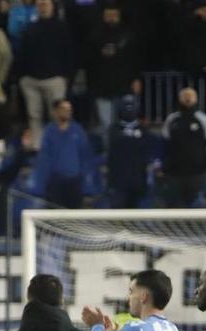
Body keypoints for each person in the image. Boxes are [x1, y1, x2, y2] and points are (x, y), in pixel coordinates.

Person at [18, 0, 73, 141]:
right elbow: (22, 53)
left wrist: (66, 76)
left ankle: (58, 145)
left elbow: (69, 54)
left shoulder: (62, 28)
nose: (43, 8)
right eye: (40, 5)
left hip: (54, 79)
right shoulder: (29, 28)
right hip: (31, 80)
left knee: (57, 116)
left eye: (45, 4)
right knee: (34, 116)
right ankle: (37, 149)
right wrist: (22, 76)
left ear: (52, 7)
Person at [87, 4, 143, 137]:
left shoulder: (128, 35)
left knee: (127, 122)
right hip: (102, 89)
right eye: (108, 15)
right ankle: (110, 154)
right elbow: (89, 62)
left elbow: (136, 59)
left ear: (118, 16)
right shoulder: (95, 35)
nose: (111, 18)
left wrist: (136, 78)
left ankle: (127, 152)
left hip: (125, 87)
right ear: (104, 16)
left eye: (114, 15)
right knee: (107, 125)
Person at [159, 87, 206, 208]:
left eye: (191, 95)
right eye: (185, 95)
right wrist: (161, 165)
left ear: (196, 99)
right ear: (180, 99)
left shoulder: (204, 119)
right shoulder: (172, 119)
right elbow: (164, 144)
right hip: (174, 173)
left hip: (197, 173)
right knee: (174, 208)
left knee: (195, 209)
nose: (188, 98)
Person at [35, 99, 94, 209]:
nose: (67, 112)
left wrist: (86, 182)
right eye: (64, 109)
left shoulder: (78, 130)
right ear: (56, 111)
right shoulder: (49, 131)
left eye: (69, 109)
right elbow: (44, 158)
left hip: (74, 182)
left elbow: (85, 156)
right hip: (55, 182)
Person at [106, 96, 152, 209]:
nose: (129, 109)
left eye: (131, 106)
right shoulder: (114, 130)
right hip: (118, 181)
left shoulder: (143, 130)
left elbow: (146, 154)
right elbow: (111, 154)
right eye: (126, 106)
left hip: (138, 180)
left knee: (134, 215)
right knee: (117, 216)